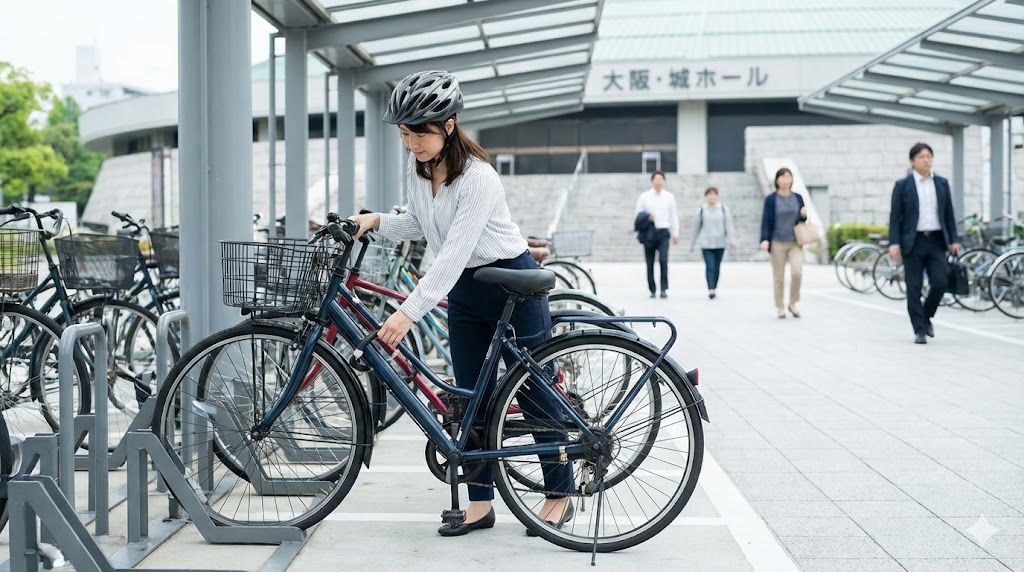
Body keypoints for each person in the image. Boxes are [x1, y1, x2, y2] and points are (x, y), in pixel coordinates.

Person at [348, 70, 575, 537]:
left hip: (511, 284)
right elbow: (418, 221)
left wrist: (408, 312)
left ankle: (559, 494)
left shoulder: (479, 178)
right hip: (467, 293)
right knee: (471, 398)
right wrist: (375, 220)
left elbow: (453, 252)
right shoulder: (423, 171)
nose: (412, 143)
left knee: (535, 395)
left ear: (449, 125)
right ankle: (480, 504)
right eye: (405, 133)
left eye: (421, 133)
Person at [888, 142, 961, 344]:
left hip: (937, 240)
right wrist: (894, 243)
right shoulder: (903, 186)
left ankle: (926, 316)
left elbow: (949, 214)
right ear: (912, 161)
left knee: (940, 283)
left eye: (929, 156)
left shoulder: (941, 183)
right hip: (913, 242)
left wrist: (954, 239)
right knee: (914, 286)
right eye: (921, 156)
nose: (926, 160)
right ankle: (919, 329)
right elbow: (895, 217)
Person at [760, 167, 808, 319]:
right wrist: (764, 239)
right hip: (777, 242)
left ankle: (793, 303)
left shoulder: (798, 197)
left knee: (797, 272)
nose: (786, 180)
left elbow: (802, 221)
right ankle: (780, 306)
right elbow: (766, 220)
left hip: (795, 242)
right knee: (779, 276)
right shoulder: (771, 199)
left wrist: (804, 216)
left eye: (789, 177)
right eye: (783, 177)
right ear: (777, 180)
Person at [634, 171, 679, 298]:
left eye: (661, 179)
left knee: (664, 260)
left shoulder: (670, 197)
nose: (658, 182)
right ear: (652, 181)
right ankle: (652, 289)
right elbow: (637, 214)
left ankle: (664, 288)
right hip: (649, 232)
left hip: (664, 232)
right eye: (656, 179)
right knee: (650, 262)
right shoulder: (644, 196)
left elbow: (673, 215)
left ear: (664, 181)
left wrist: (675, 233)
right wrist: (648, 217)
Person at [690, 186, 736, 299]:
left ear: (717, 196)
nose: (712, 196)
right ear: (706, 197)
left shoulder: (723, 209)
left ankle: (714, 286)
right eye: (709, 194)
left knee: (717, 267)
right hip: (707, 244)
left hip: (720, 243)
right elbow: (696, 228)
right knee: (710, 266)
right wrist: (692, 243)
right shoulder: (702, 210)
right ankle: (710, 289)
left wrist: (732, 240)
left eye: (714, 194)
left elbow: (729, 226)